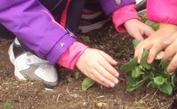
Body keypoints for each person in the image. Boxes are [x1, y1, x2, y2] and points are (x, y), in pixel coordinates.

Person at [0, 0, 153, 88]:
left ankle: (79, 10)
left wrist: (123, 10)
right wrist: (70, 51)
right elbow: (14, 6)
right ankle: (28, 46)